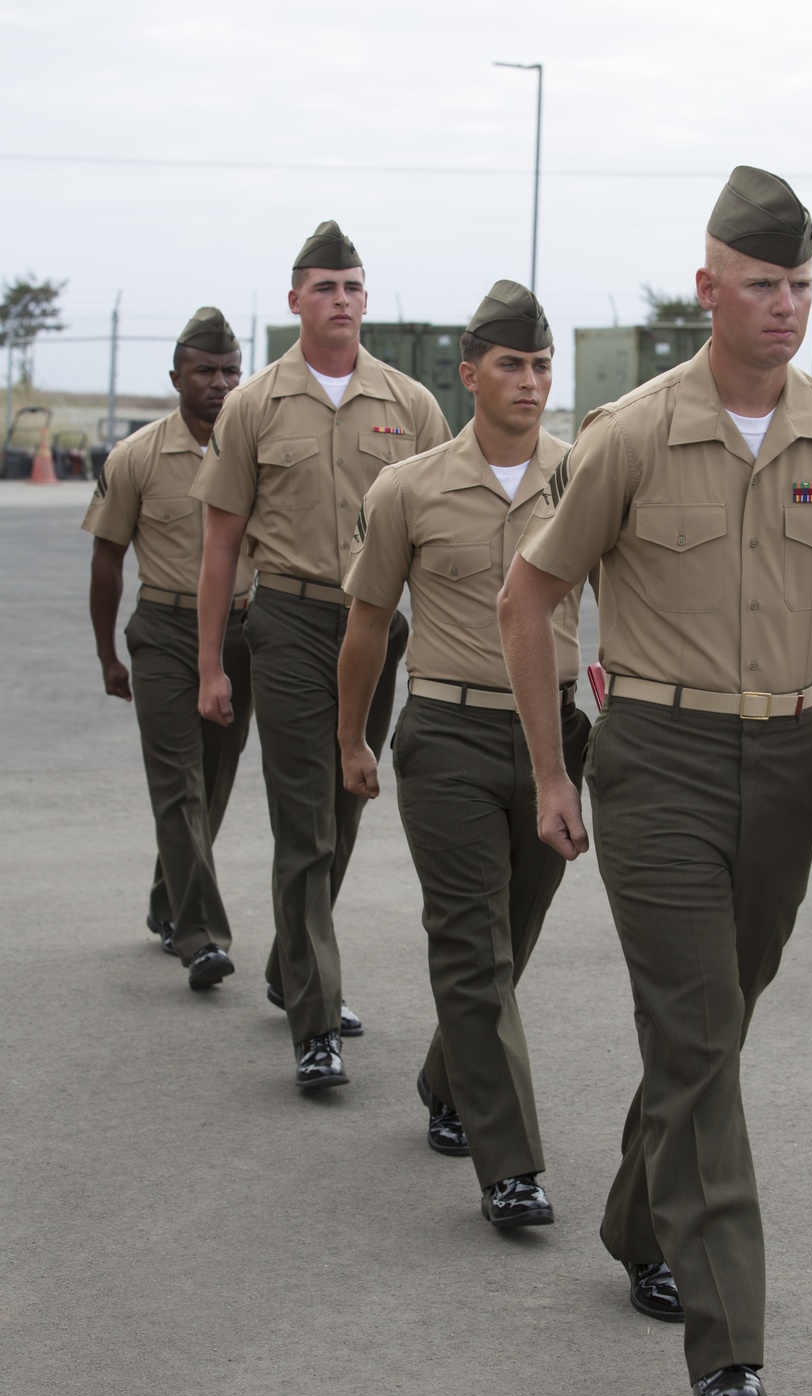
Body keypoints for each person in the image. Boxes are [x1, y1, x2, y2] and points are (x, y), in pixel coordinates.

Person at [497, 166, 812, 1396]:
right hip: (656, 764)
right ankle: (726, 1344)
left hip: (789, 770)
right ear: (707, 289)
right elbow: (529, 599)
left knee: (719, 1023)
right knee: (698, 1039)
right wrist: (548, 767)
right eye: (761, 283)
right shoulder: (632, 432)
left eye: (800, 284)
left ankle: (638, 1213)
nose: (784, 305)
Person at [338, 281, 591, 1228]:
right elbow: (367, 625)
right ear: (470, 373)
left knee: (510, 939)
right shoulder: (406, 487)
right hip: (445, 733)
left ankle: (449, 1080)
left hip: (555, 738)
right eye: (511, 365)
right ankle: (510, 1164)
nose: (529, 381)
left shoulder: (585, 476)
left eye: (540, 365)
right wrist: (351, 736)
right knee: (470, 941)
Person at [194, 221, 451, 1088]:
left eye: (353, 287)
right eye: (325, 287)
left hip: (375, 630)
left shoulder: (411, 406)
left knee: (345, 812)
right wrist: (210, 665)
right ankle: (314, 1018)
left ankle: (291, 967)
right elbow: (220, 546)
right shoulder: (255, 404)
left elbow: (446, 536)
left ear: (366, 300)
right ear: (296, 298)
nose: (340, 301)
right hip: (292, 625)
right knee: (303, 820)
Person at [82, 307, 251, 991]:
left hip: (240, 634)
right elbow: (106, 560)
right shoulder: (137, 457)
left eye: (230, 372)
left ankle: (166, 899)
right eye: (206, 371)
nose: (219, 383)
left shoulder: (252, 451)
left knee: (210, 787)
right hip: (164, 630)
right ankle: (202, 936)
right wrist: (107, 655)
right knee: (177, 782)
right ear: (176, 375)